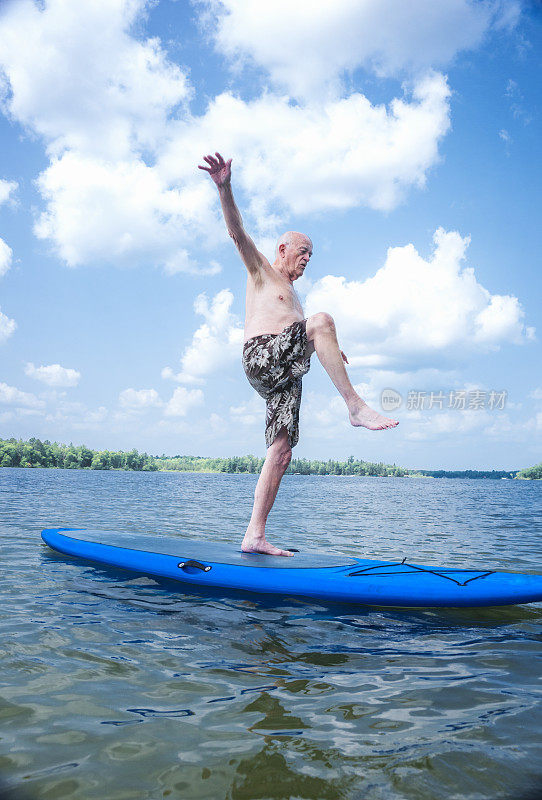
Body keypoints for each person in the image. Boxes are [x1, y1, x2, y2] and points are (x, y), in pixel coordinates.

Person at [199, 152, 398, 556]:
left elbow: (304, 332)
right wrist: (224, 186)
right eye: (302, 252)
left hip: (285, 369)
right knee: (323, 319)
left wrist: (327, 348)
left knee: (282, 451)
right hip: (260, 356)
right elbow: (237, 234)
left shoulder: (296, 299)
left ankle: (254, 535)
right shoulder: (262, 272)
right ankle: (356, 407)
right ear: (283, 248)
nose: (307, 259)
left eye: (312, 255)